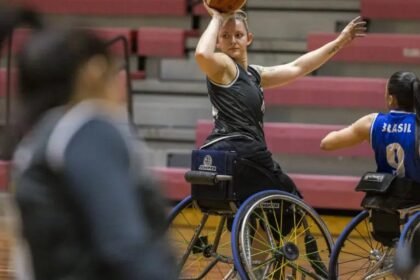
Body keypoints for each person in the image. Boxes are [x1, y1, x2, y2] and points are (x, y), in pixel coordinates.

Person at [0, 5, 176, 280]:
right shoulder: (89, 128)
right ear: (94, 71)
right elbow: (126, 247)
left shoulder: (42, 135)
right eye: (115, 69)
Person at [195, 0, 366, 194]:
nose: (233, 40)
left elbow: (299, 67)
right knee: (290, 199)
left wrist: (339, 42)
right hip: (242, 149)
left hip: (219, 151)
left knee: (248, 209)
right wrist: (217, 17)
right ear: (218, 42)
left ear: (249, 38)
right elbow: (202, 54)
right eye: (225, 36)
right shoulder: (222, 65)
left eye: (238, 35)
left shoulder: (255, 75)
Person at [320, 71, 420, 181]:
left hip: (384, 196)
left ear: (391, 99)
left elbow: (326, 144)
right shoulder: (417, 125)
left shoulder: (372, 122)